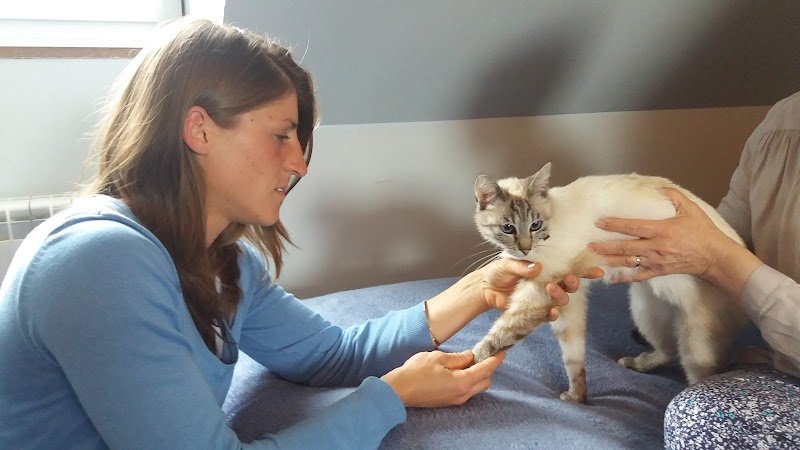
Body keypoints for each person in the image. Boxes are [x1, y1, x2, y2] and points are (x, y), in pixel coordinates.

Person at [0, 19, 593, 449]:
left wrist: (479, 288)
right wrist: (389, 398)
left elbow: (330, 355)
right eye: (281, 135)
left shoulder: (223, 260)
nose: (300, 164)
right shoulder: (99, 261)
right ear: (199, 130)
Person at [589, 91, 800, 448]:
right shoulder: (782, 123)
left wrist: (716, 259)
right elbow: (727, 231)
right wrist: (653, 250)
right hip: (780, 363)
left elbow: (720, 252)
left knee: (702, 418)